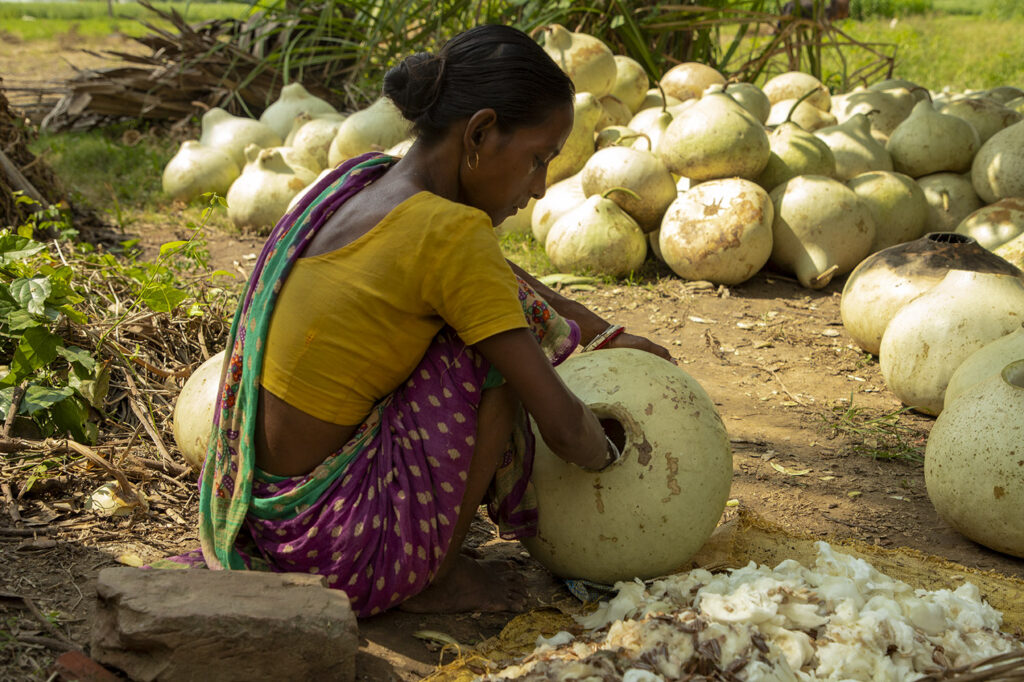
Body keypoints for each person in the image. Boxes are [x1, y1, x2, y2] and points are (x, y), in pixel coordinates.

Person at [192, 24, 672, 617]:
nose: (542, 188)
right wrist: (628, 465)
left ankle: (417, 543)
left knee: (492, 307)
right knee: (492, 353)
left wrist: (603, 335)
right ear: (479, 133)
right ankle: (433, 573)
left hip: (264, 517)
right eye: (537, 160)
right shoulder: (451, 237)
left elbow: (501, 279)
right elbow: (565, 429)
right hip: (337, 548)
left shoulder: (363, 181)